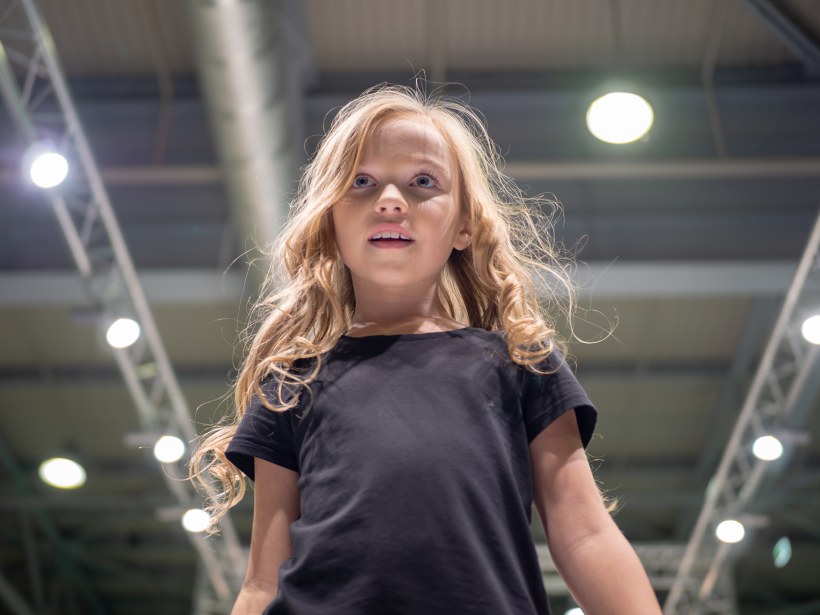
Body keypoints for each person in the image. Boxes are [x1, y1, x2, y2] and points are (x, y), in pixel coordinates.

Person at [190, 83, 662, 615]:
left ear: (464, 226)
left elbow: (585, 535)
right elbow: (263, 583)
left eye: (423, 182)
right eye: (362, 182)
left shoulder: (519, 363)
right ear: (331, 221)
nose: (391, 200)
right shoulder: (292, 383)